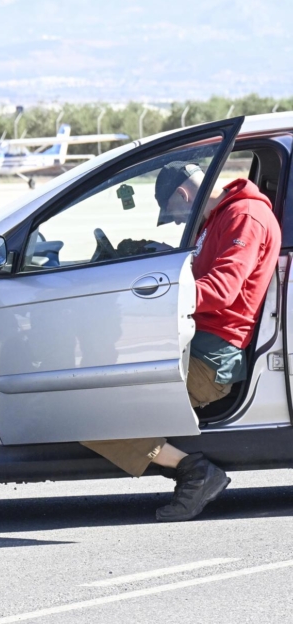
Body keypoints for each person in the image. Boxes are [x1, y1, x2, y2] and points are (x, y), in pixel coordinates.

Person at [83, 161, 280, 522]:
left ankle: (195, 471)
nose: (177, 222)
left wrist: (155, 296)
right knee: (97, 396)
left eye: (173, 214)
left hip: (210, 360)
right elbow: (201, 270)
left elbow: (222, 290)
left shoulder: (245, 217)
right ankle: (191, 471)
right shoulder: (218, 218)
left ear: (184, 195)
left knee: (92, 416)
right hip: (192, 342)